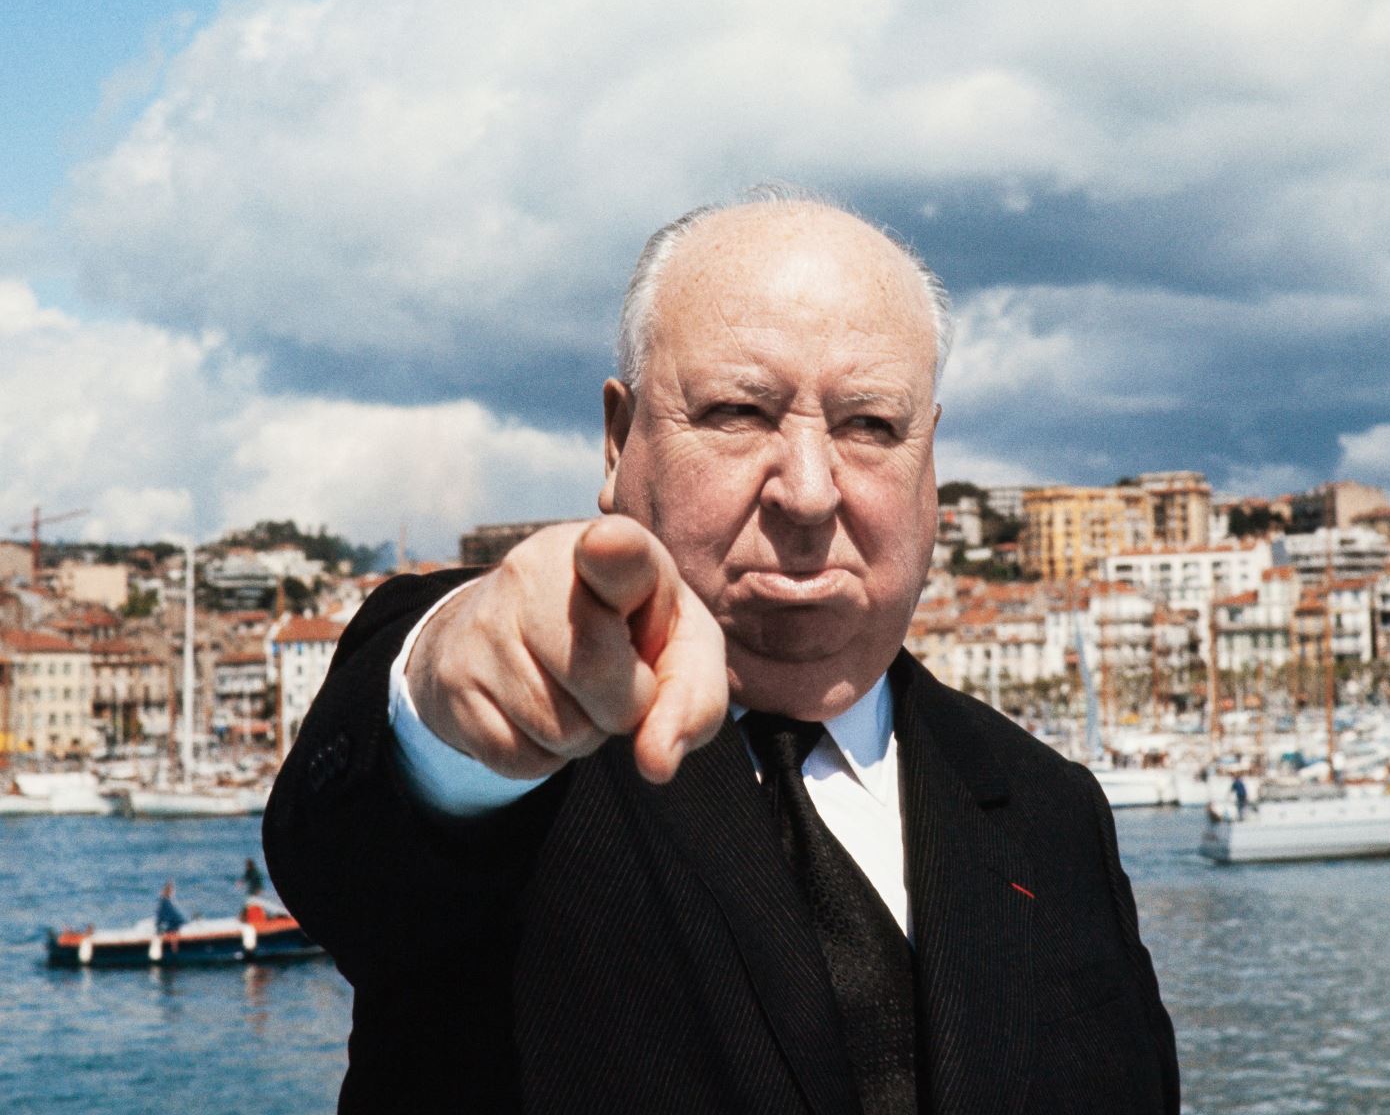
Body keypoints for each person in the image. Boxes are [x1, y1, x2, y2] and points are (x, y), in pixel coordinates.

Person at [265, 189, 1180, 1113]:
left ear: (930, 459)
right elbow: (355, 848)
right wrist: (462, 690)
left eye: (870, 426)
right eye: (741, 412)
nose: (812, 492)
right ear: (620, 442)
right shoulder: (539, 755)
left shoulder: (1051, 808)